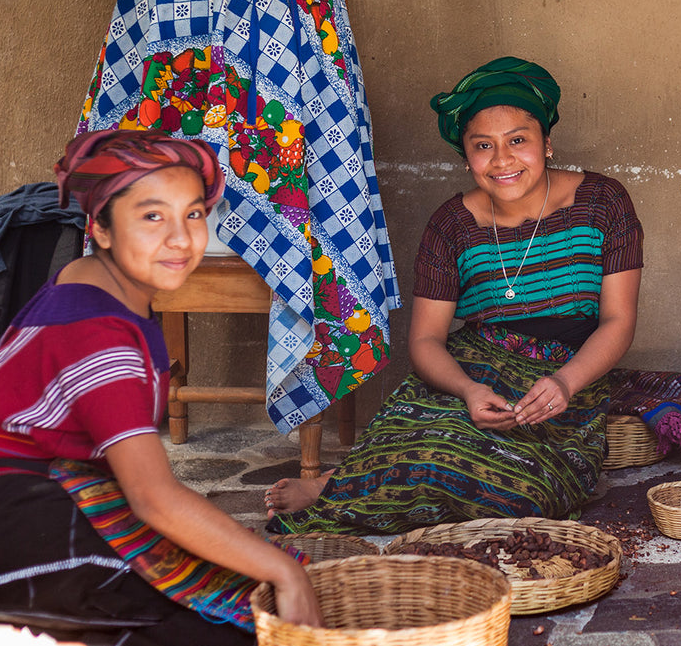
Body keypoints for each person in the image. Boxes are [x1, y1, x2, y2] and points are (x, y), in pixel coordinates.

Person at [0, 131, 320, 646]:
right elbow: (154, 497)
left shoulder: (92, 281)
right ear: (100, 228)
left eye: (193, 214)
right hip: (46, 539)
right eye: (152, 216)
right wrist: (286, 572)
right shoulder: (101, 338)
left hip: (35, 512)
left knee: (248, 588)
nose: (181, 238)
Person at [266, 56, 644, 533]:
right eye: (483, 146)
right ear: (466, 157)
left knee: (523, 490)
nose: (502, 160)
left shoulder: (604, 202)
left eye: (518, 140)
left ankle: (358, 485)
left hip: (565, 376)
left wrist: (566, 384)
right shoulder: (451, 224)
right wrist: (468, 390)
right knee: (436, 439)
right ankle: (335, 485)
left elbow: (618, 321)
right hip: (474, 367)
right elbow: (426, 340)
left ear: (547, 144)